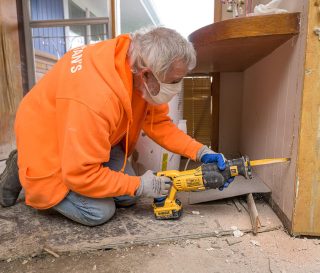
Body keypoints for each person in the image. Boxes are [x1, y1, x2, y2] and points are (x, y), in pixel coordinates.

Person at [0, 27, 232, 226]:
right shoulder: (96, 98)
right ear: (147, 75)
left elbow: (159, 124)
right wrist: (139, 184)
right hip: (47, 139)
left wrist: (200, 152)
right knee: (99, 211)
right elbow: (81, 174)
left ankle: (51, 161)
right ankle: (25, 162)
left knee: (126, 198)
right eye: (173, 82)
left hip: (85, 131)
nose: (177, 88)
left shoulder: (135, 63)